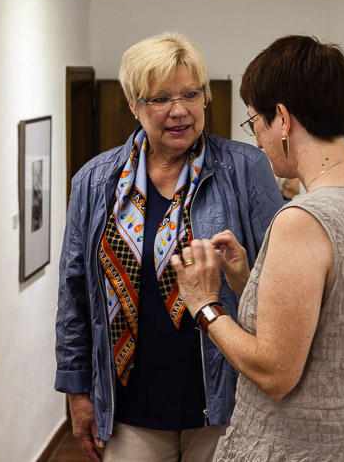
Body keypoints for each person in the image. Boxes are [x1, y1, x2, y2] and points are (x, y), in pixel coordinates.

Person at [172, 35, 344, 461]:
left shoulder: (302, 221)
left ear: (282, 119)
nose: (256, 137)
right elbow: (341, 316)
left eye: (254, 120)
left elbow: (275, 372)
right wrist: (247, 279)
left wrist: (205, 305)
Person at [55, 32, 283, 462]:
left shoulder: (246, 168)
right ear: (133, 104)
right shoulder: (94, 180)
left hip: (225, 403)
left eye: (190, 94)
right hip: (130, 408)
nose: (179, 111)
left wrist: (242, 270)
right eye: (160, 99)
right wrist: (77, 392)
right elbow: (74, 296)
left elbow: (279, 281)